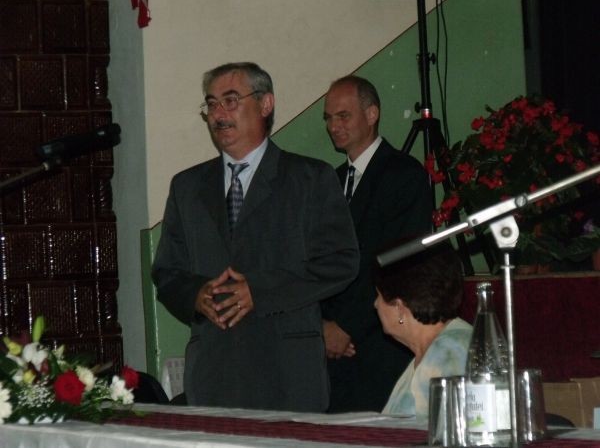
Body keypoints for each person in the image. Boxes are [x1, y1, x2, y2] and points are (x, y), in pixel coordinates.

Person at [152, 62, 359, 412]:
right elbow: (167, 272)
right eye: (211, 104)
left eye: (231, 101)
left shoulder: (310, 178)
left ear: (266, 104)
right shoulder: (187, 187)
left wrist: (259, 291)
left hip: (287, 375)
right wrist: (196, 295)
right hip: (214, 374)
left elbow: (340, 261)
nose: (219, 114)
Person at [320, 75, 433, 412]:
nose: (334, 126)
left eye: (343, 116)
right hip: (332, 348)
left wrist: (346, 326)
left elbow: (396, 261)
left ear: (372, 114)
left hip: (379, 343)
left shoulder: (404, 174)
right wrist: (322, 326)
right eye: (329, 118)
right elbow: (320, 260)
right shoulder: (332, 181)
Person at [373, 242, 472, 420]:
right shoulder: (434, 348)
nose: (375, 304)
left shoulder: (449, 352)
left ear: (399, 308)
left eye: (378, 296)